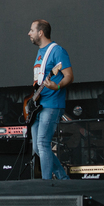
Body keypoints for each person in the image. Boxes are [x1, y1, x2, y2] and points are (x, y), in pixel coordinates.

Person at [27, 20, 74, 180]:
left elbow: (69, 76)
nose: (29, 33)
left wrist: (57, 86)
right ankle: (62, 178)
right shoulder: (40, 53)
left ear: (41, 32)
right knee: (37, 148)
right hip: (38, 105)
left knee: (42, 143)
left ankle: (46, 185)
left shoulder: (57, 51)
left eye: (31, 30)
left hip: (52, 104)